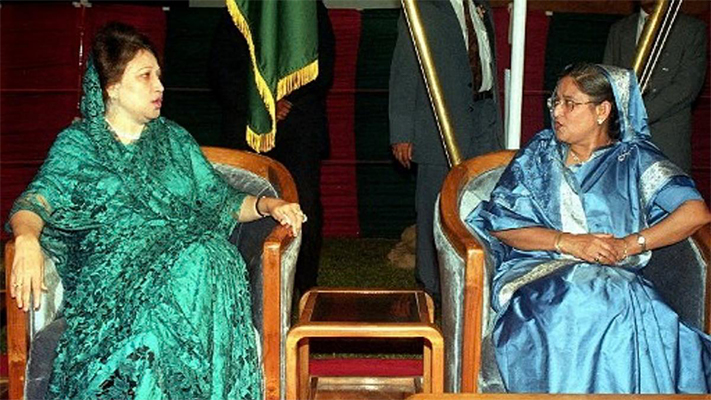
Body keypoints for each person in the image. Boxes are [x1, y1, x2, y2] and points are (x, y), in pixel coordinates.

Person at [7, 22, 306, 399]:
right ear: (112, 88)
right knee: (196, 263)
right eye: (145, 76)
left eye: (159, 76)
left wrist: (270, 204)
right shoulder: (79, 146)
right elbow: (34, 202)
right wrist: (27, 238)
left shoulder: (175, 140)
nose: (159, 87)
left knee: (206, 256)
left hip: (188, 267)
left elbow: (223, 201)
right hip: (116, 279)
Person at [466, 63, 711, 393]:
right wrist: (568, 242)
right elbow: (502, 224)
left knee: (632, 305)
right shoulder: (540, 155)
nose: (557, 112)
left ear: (602, 111)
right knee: (589, 301)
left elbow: (695, 212)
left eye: (570, 103)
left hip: (617, 278)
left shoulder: (634, 158)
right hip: (541, 275)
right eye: (555, 102)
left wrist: (628, 244)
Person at [210, 0, 334, 295]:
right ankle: (240, 284)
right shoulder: (239, 8)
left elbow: (323, 66)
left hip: (298, 125)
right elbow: (219, 70)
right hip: (247, 127)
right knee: (243, 203)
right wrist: (260, 105)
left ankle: (304, 289)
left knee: (304, 204)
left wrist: (285, 98)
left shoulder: (308, 8)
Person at [389, 0, 503, 302]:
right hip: (439, 122)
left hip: (484, 115)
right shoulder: (422, 8)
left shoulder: (481, 6)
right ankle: (432, 289)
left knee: (483, 199)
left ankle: (476, 283)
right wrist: (402, 131)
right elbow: (404, 69)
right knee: (435, 204)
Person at [603, 0, 708, 173]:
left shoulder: (691, 29)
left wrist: (637, 115)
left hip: (667, 141)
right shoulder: (620, 29)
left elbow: (686, 87)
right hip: (622, 142)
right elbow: (608, 81)